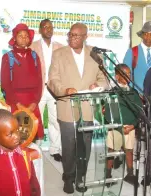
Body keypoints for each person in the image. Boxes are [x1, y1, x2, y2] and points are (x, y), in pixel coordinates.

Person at [48, 23, 108, 194]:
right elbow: (53, 80)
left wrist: (99, 84)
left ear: (85, 37)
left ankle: (80, 177)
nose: (72, 38)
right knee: (69, 146)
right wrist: (64, 90)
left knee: (85, 146)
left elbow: (103, 78)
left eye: (76, 35)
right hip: (67, 105)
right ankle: (68, 177)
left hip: (88, 107)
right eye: (70, 34)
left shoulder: (95, 55)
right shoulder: (59, 54)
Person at [0, 109, 41, 196]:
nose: (17, 136)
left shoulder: (25, 155)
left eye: (17, 130)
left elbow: (33, 185)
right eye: (10, 134)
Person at [0, 23, 44, 140]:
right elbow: (5, 83)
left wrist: (35, 102)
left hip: (32, 102)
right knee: (16, 134)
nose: (24, 38)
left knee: (32, 134)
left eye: (26, 35)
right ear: (14, 38)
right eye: (20, 35)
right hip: (15, 101)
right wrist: (17, 104)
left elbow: (40, 81)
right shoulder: (7, 57)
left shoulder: (35, 56)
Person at [30, 19, 63, 162]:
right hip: (38, 88)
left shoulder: (60, 47)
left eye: (51, 27)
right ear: (40, 29)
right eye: (45, 27)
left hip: (54, 89)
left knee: (55, 120)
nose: (49, 29)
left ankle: (55, 149)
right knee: (36, 120)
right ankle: (35, 148)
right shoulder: (32, 47)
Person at [105, 64, 143, 185]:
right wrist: (119, 126)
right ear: (117, 76)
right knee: (111, 150)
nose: (128, 76)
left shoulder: (134, 92)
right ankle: (108, 175)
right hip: (116, 127)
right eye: (125, 74)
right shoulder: (112, 93)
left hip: (130, 127)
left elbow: (139, 111)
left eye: (129, 74)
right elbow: (107, 114)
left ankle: (130, 174)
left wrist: (133, 125)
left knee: (129, 150)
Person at [123, 21, 151, 91]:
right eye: (147, 34)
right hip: (138, 97)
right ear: (144, 35)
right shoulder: (132, 52)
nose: (148, 37)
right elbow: (125, 75)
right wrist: (135, 92)